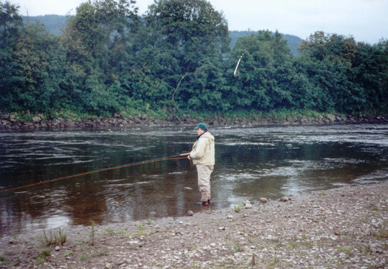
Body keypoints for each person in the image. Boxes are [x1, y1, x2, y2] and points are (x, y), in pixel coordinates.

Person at [188, 123, 215, 206]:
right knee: (206, 182)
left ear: (203, 130)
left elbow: (198, 154)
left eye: (198, 129)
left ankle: (204, 201)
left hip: (203, 163)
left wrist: (191, 155)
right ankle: (207, 200)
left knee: (203, 183)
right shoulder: (208, 138)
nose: (197, 131)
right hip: (208, 162)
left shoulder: (203, 139)